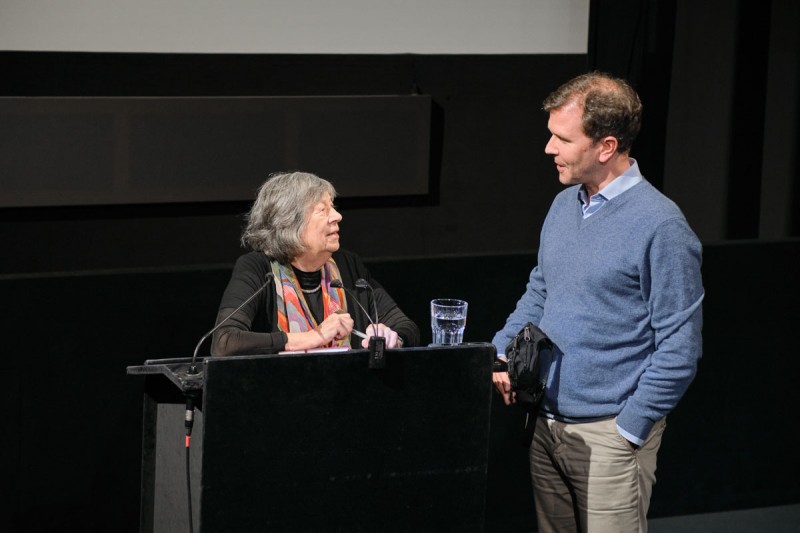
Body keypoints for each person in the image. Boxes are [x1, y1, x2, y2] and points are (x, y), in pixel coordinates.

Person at [491, 72, 704, 533]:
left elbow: (680, 348)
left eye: (562, 138)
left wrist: (629, 427)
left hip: (610, 434)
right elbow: (540, 292)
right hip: (546, 427)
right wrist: (500, 352)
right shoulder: (563, 206)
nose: (549, 148)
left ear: (606, 147)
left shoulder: (661, 227)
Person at [211, 171, 420, 356]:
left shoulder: (348, 265)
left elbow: (406, 326)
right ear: (290, 223)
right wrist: (314, 337)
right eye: (323, 210)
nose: (337, 216)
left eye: (333, 207)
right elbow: (225, 342)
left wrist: (393, 338)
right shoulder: (258, 269)